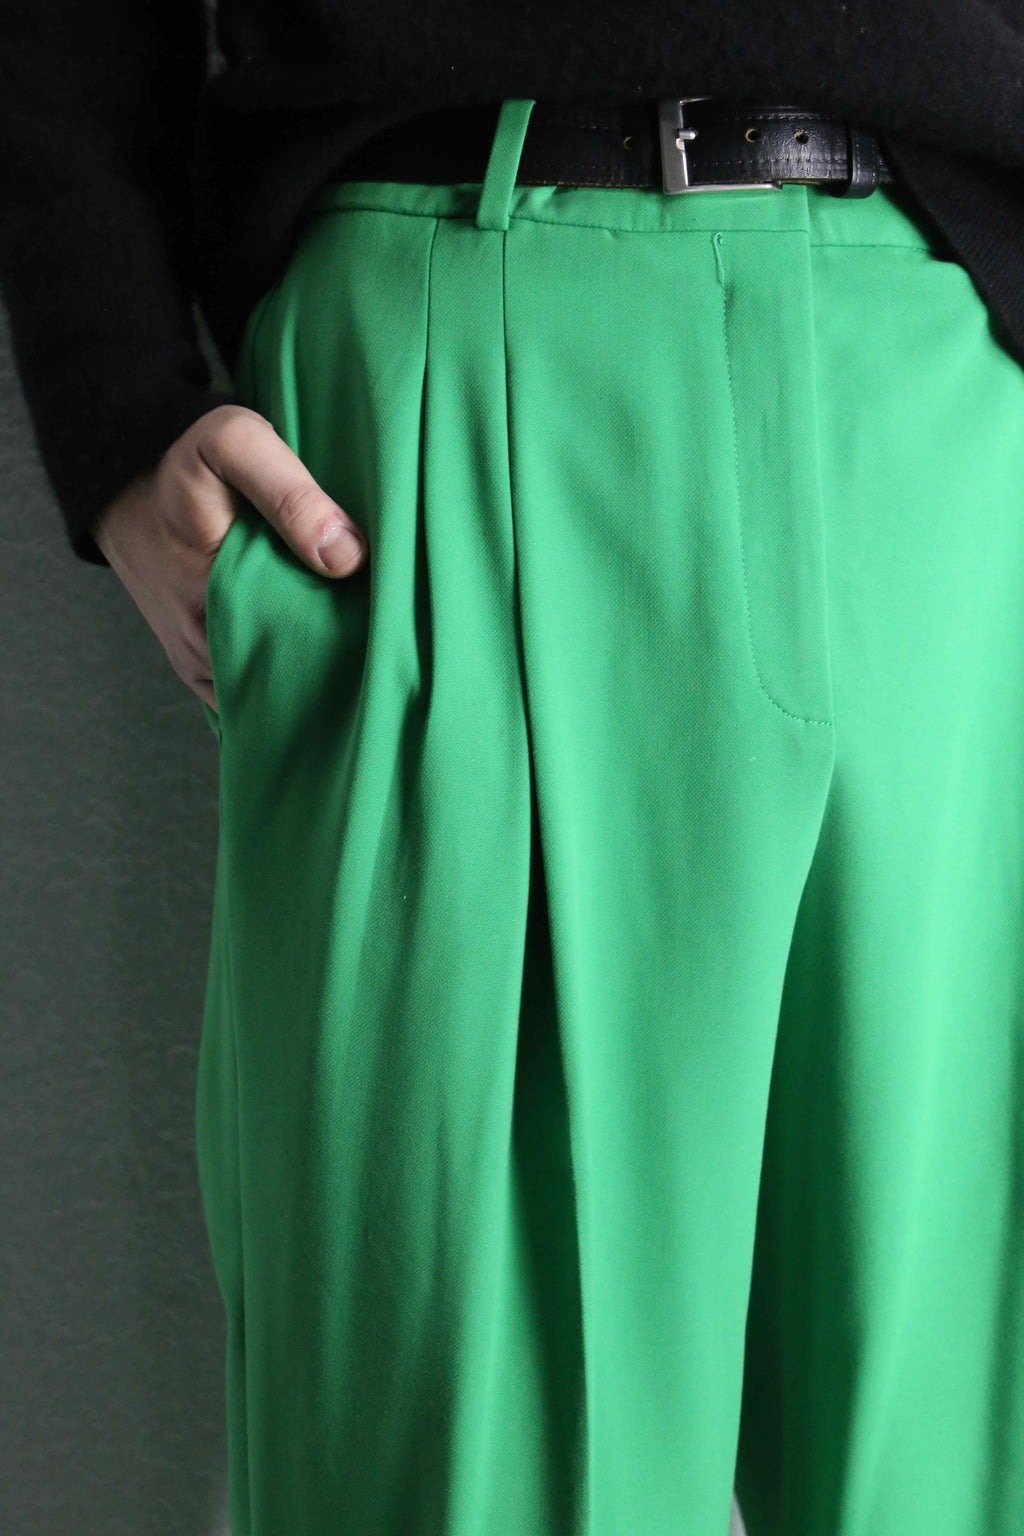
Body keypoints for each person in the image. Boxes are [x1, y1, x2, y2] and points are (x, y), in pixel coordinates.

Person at [1, 8, 1023, 1536]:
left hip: (951, 389)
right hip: (443, 358)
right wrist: (117, 395)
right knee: (465, 1472)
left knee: (964, 1477)